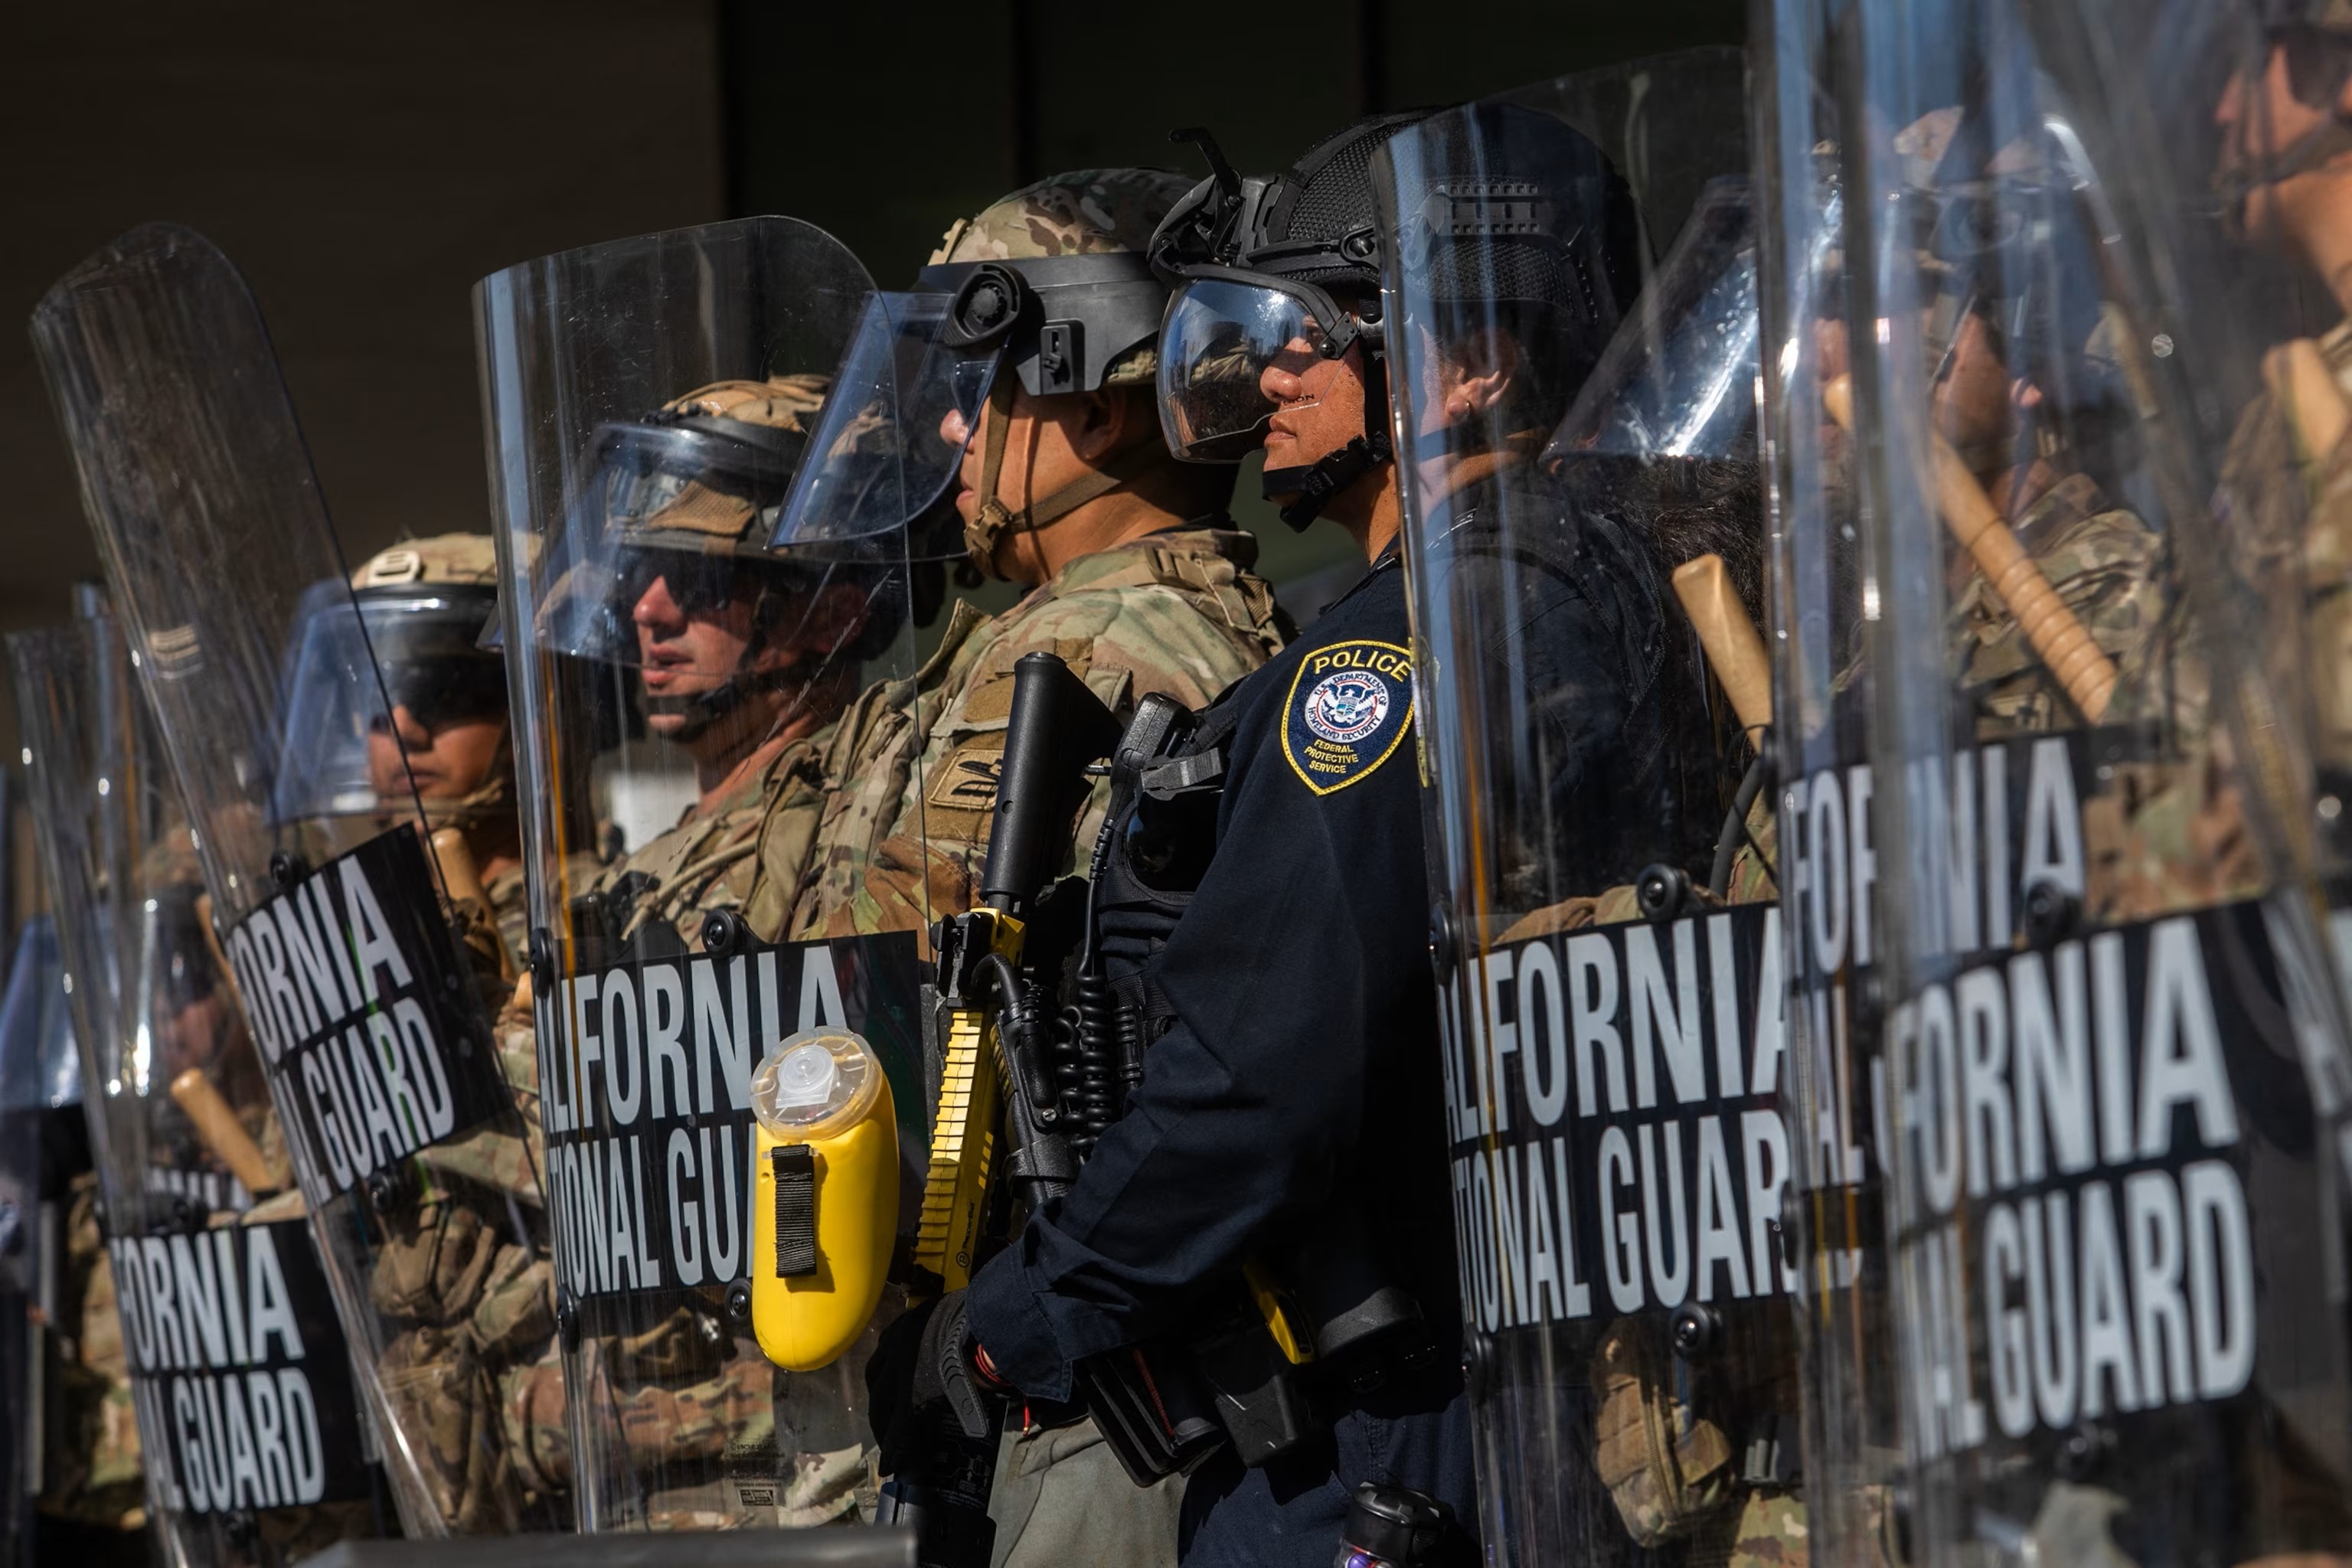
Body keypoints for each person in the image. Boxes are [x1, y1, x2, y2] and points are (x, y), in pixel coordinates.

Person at [769, 169, 1289, 950]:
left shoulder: (1095, 640)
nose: (954, 429)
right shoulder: (1122, 616)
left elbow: (902, 960)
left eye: (983, 387)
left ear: (1095, 412)